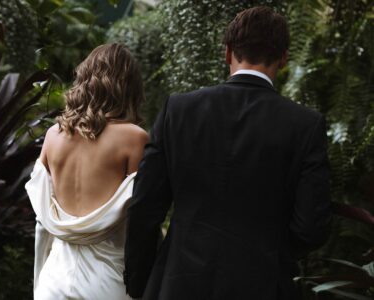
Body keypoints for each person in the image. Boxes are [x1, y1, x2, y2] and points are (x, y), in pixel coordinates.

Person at [124, 6, 331, 300]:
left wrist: (140, 283)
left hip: (179, 284)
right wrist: (268, 251)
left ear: (228, 52)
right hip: (263, 285)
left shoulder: (178, 111)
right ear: (284, 58)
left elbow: (144, 208)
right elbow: (311, 227)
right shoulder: (305, 126)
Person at [25, 43, 148, 300]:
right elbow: (143, 218)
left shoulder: (52, 136)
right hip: (108, 282)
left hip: (53, 281)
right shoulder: (134, 138)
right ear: (129, 87)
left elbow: (41, 220)